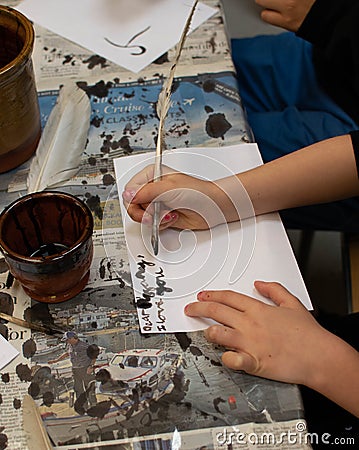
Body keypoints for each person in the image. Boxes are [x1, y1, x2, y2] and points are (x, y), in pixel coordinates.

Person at [229, 0, 359, 232]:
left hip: (350, 146)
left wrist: (222, 198)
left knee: (207, 158)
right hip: (328, 54)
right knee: (192, 73)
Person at [48, 331, 98, 409]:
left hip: (86, 369)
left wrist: (91, 366)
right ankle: (84, 407)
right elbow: (67, 353)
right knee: (78, 389)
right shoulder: (70, 345)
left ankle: (94, 407)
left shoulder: (84, 345)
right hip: (76, 370)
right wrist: (56, 361)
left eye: (67, 340)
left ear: (73, 338)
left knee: (89, 389)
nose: (67, 342)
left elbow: (94, 355)